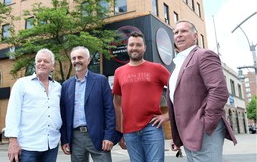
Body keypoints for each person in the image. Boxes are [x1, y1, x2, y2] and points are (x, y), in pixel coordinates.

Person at [167, 20, 237, 162]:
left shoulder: (204, 55)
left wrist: (206, 123)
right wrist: (178, 136)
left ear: (195, 36)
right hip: (188, 133)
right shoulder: (177, 64)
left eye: (184, 31)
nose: (179, 35)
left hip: (203, 130)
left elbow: (219, 91)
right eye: (176, 32)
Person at [113, 31, 170, 162]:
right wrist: (120, 130)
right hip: (129, 131)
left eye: (138, 45)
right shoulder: (119, 72)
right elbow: (117, 102)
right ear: (127, 47)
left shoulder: (157, 69)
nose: (134, 48)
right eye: (131, 44)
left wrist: (168, 115)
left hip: (152, 127)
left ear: (144, 47)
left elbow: (177, 91)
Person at [60, 46, 117, 162]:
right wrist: (65, 139)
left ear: (88, 60)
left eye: (80, 57)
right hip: (75, 138)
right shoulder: (66, 86)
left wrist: (109, 136)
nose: (76, 60)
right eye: (74, 58)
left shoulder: (101, 81)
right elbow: (64, 115)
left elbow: (109, 110)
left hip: (98, 136)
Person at [5, 48, 62, 162]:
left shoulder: (58, 87)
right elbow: (12, 113)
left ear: (53, 66)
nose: (42, 63)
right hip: (27, 146)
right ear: (35, 64)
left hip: (51, 145)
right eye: (39, 61)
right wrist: (13, 141)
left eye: (46, 61)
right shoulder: (22, 84)